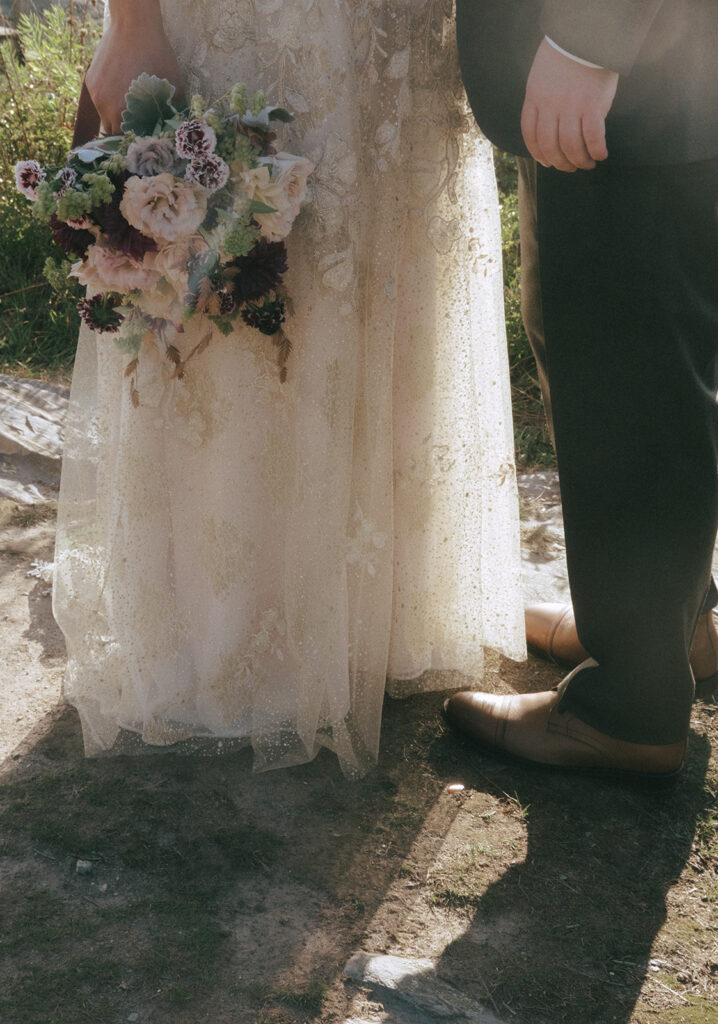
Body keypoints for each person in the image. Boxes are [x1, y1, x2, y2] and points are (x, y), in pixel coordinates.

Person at [52, 0, 526, 775]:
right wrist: (130, 21)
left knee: (378, 268)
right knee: (256, 286)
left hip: (398, 30)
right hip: (258, 20)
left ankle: (380, 615)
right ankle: (236, 629)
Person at [447, 0, 718, 778]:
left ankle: (629, 707)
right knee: (596, 342)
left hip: (627, 56)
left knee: (628, 368)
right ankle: (669, 632)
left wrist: (590, 39)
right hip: (627, 64)